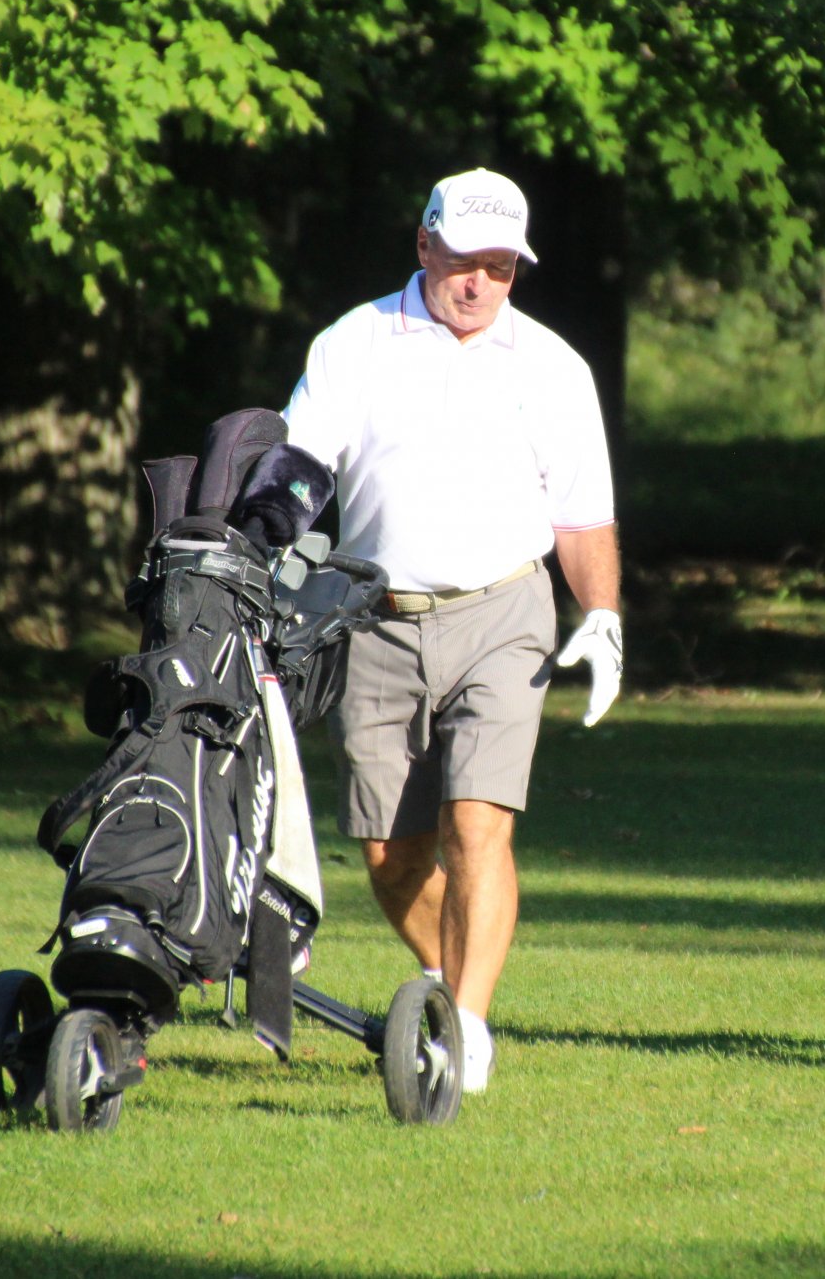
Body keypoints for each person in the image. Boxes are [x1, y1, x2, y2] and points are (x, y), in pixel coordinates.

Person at [280, 167, 623, 1095]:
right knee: (392, 857)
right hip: (376, 619)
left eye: (501, 267)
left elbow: (583, 517)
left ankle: (466, 1026)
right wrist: (270, 539)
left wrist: (601, 615)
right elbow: (300, 466)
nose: (480, 283)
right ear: (424, 244)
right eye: (464, 260)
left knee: (477, 826)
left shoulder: (553, 366)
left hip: (504, 611)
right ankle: (444, 977)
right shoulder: (356, 342)